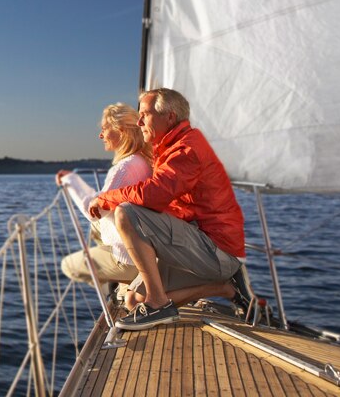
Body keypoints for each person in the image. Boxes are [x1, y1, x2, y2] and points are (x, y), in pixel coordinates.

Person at [88, 88, 246, 331]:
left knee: (127, 213)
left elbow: (154, 194)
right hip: (202, 245)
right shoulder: (168, 148)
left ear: (170, 117)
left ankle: (159, 303)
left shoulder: (186, 150)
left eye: (145, 115)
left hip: (216, 251)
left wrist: (105, 198)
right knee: (131, 300)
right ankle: (224, 288)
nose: (139, 122)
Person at [56, 103, 152, 298]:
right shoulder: (144, 161)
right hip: (148, 249)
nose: (100, 135)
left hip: (130, 260)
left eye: (104, 129)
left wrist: (70, 180)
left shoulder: (124, 169)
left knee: (68, 266)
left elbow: (93, 211)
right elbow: (103, 204)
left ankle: (127, 284)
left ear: (121, 130)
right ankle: (128, 282)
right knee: (97, 230)